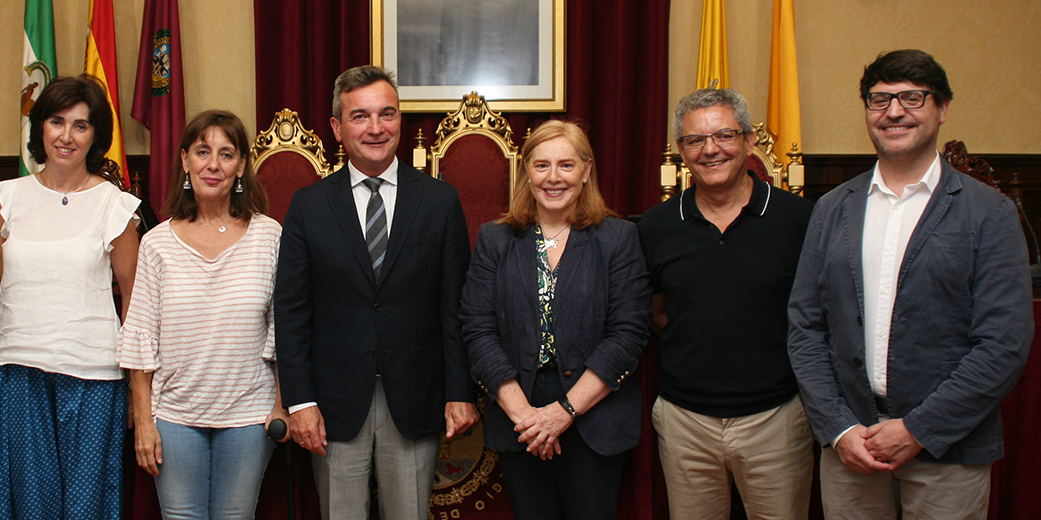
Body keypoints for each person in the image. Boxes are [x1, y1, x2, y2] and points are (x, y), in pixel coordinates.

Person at [787, 50, 1034, 520]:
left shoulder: (989, 212)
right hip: (852, 448)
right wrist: (838, 428)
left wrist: (918, 429)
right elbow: (805, 327)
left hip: (949, 449)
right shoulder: (832, 208)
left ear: (942, 109)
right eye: (879, 100)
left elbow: (1004, 344)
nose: (894, 111)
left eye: (911, 98)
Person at [275, 65, 478, 520]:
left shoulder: (439, 201)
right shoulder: (309, 206)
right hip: (333, 403)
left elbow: (454, 306)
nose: (375, 128)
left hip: (415, 396)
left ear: (400, 120)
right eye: (360, 116)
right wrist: (301, 402)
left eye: (387, 114)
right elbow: (290, 312)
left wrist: (460, 390)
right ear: (337, 128)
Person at [638, 88, 815, 520]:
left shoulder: (799, 219)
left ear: (750, 142)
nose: (710, 149)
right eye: (696, 140)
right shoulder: (657, 225)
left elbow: (816, 316)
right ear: (681, 150)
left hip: (776, 419)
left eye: (724, 135)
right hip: (686, 422)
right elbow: (653, 308)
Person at [459, 120, 650, 520]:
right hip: (518, 409)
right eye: (542, 165)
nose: (553, 177)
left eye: (566, 165)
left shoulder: (618, 237)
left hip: (593, 413)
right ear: (526, 170)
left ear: (586, 170)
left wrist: (562, 413)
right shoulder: (496, 239)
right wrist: (528, 417)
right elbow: (478, 329)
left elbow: (628, 335)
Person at [117, 110, 289, 520]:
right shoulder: (157, 244)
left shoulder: (270, 236)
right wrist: (143, 421)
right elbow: (140, 338)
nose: (213, 164)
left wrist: (282, 406)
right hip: (175, 416)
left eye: (226, 154)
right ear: (184, 161)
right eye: (202, 151)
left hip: (249, 414)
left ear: (242, 165)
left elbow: (283, 330)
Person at [0, 75, 140, 519]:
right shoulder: (7, 198)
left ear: (96, 136)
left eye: (81, 125)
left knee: (86, 506)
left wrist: (132, 382)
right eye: (56, 121)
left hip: (93, 378)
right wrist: (17, 343)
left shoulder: (115, 205)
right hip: (21, 375)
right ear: (40, 128)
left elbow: (132, 299)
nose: (66, 136)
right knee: (31, 506)